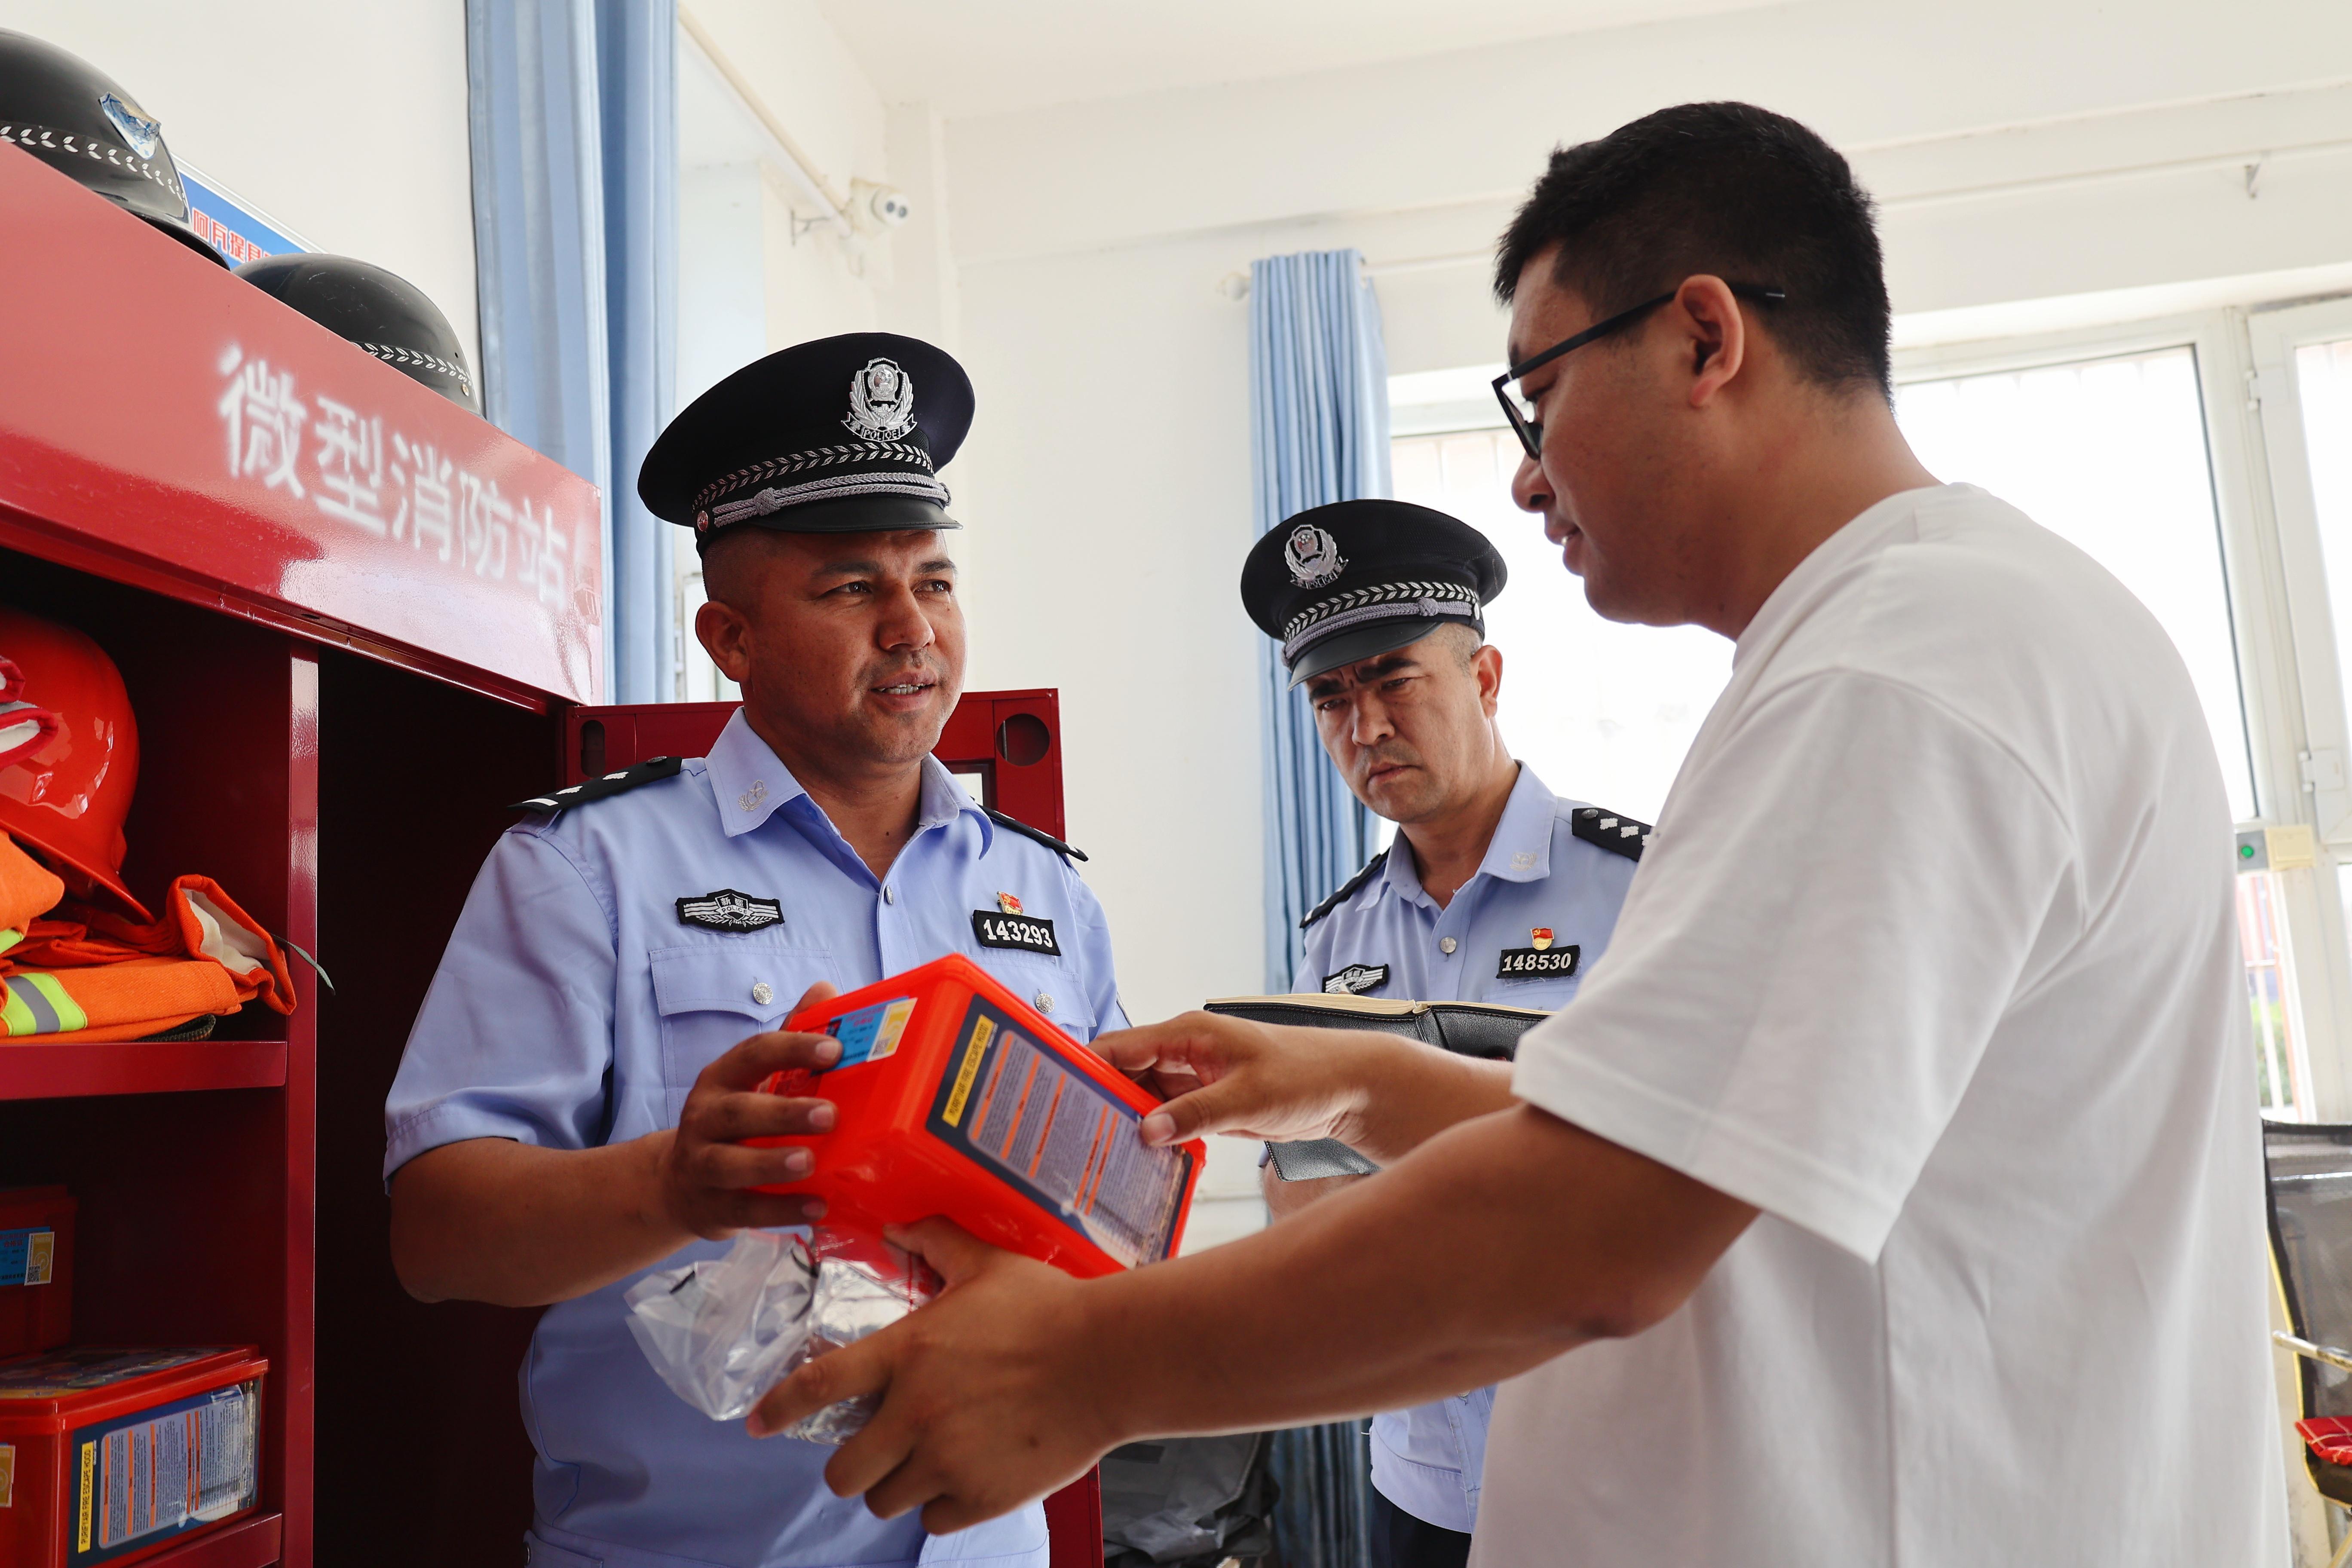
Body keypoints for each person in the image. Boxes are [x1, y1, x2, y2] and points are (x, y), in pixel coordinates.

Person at [745, 104, 2281, 1567]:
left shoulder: (1896, 671)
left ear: (1704, 339)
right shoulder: (1932, 634)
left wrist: (1088, 1366)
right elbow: (1700, 1148)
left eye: (1537, 402)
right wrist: (1356, 1079)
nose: (1532, 475)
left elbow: (1598, 1224)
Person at [384, 333, 1126, 1568]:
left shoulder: (1045, 891)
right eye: (850, 589)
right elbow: (434, 1234)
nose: (912, 629)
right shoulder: (588, 869)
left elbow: (1106, 1214)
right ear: (729, 639)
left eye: (935, 580)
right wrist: (673, 1186)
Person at [1239, 498, 1642, 1565]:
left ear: (1486, 678)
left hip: (1610, 1478)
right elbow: (1298, 1194)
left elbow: (1655, 1178)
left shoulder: (1636, 889)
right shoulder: (1337, 940)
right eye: (1331, 697)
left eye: (1393, 679)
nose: (1365, 726)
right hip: (1419, 1480)